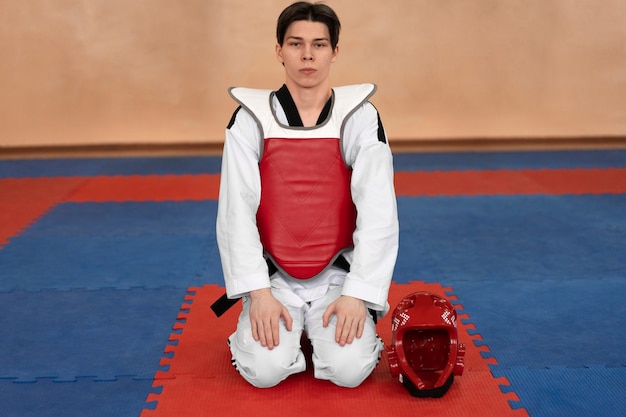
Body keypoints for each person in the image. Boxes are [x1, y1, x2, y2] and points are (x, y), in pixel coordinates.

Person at [216, 1, 399, 389]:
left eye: (319, 44)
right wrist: (259, 293)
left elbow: (378, 210)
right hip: (274, 276)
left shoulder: (359, 117)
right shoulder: (250, 118)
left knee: (350, 372)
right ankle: (259, 325)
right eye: (296, 44)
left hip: (337, 274)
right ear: (279, 50)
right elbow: (236, 211)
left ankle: (339, 326)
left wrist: (357, 294)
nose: (307, 55)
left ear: (335, 51)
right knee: (265, 372)